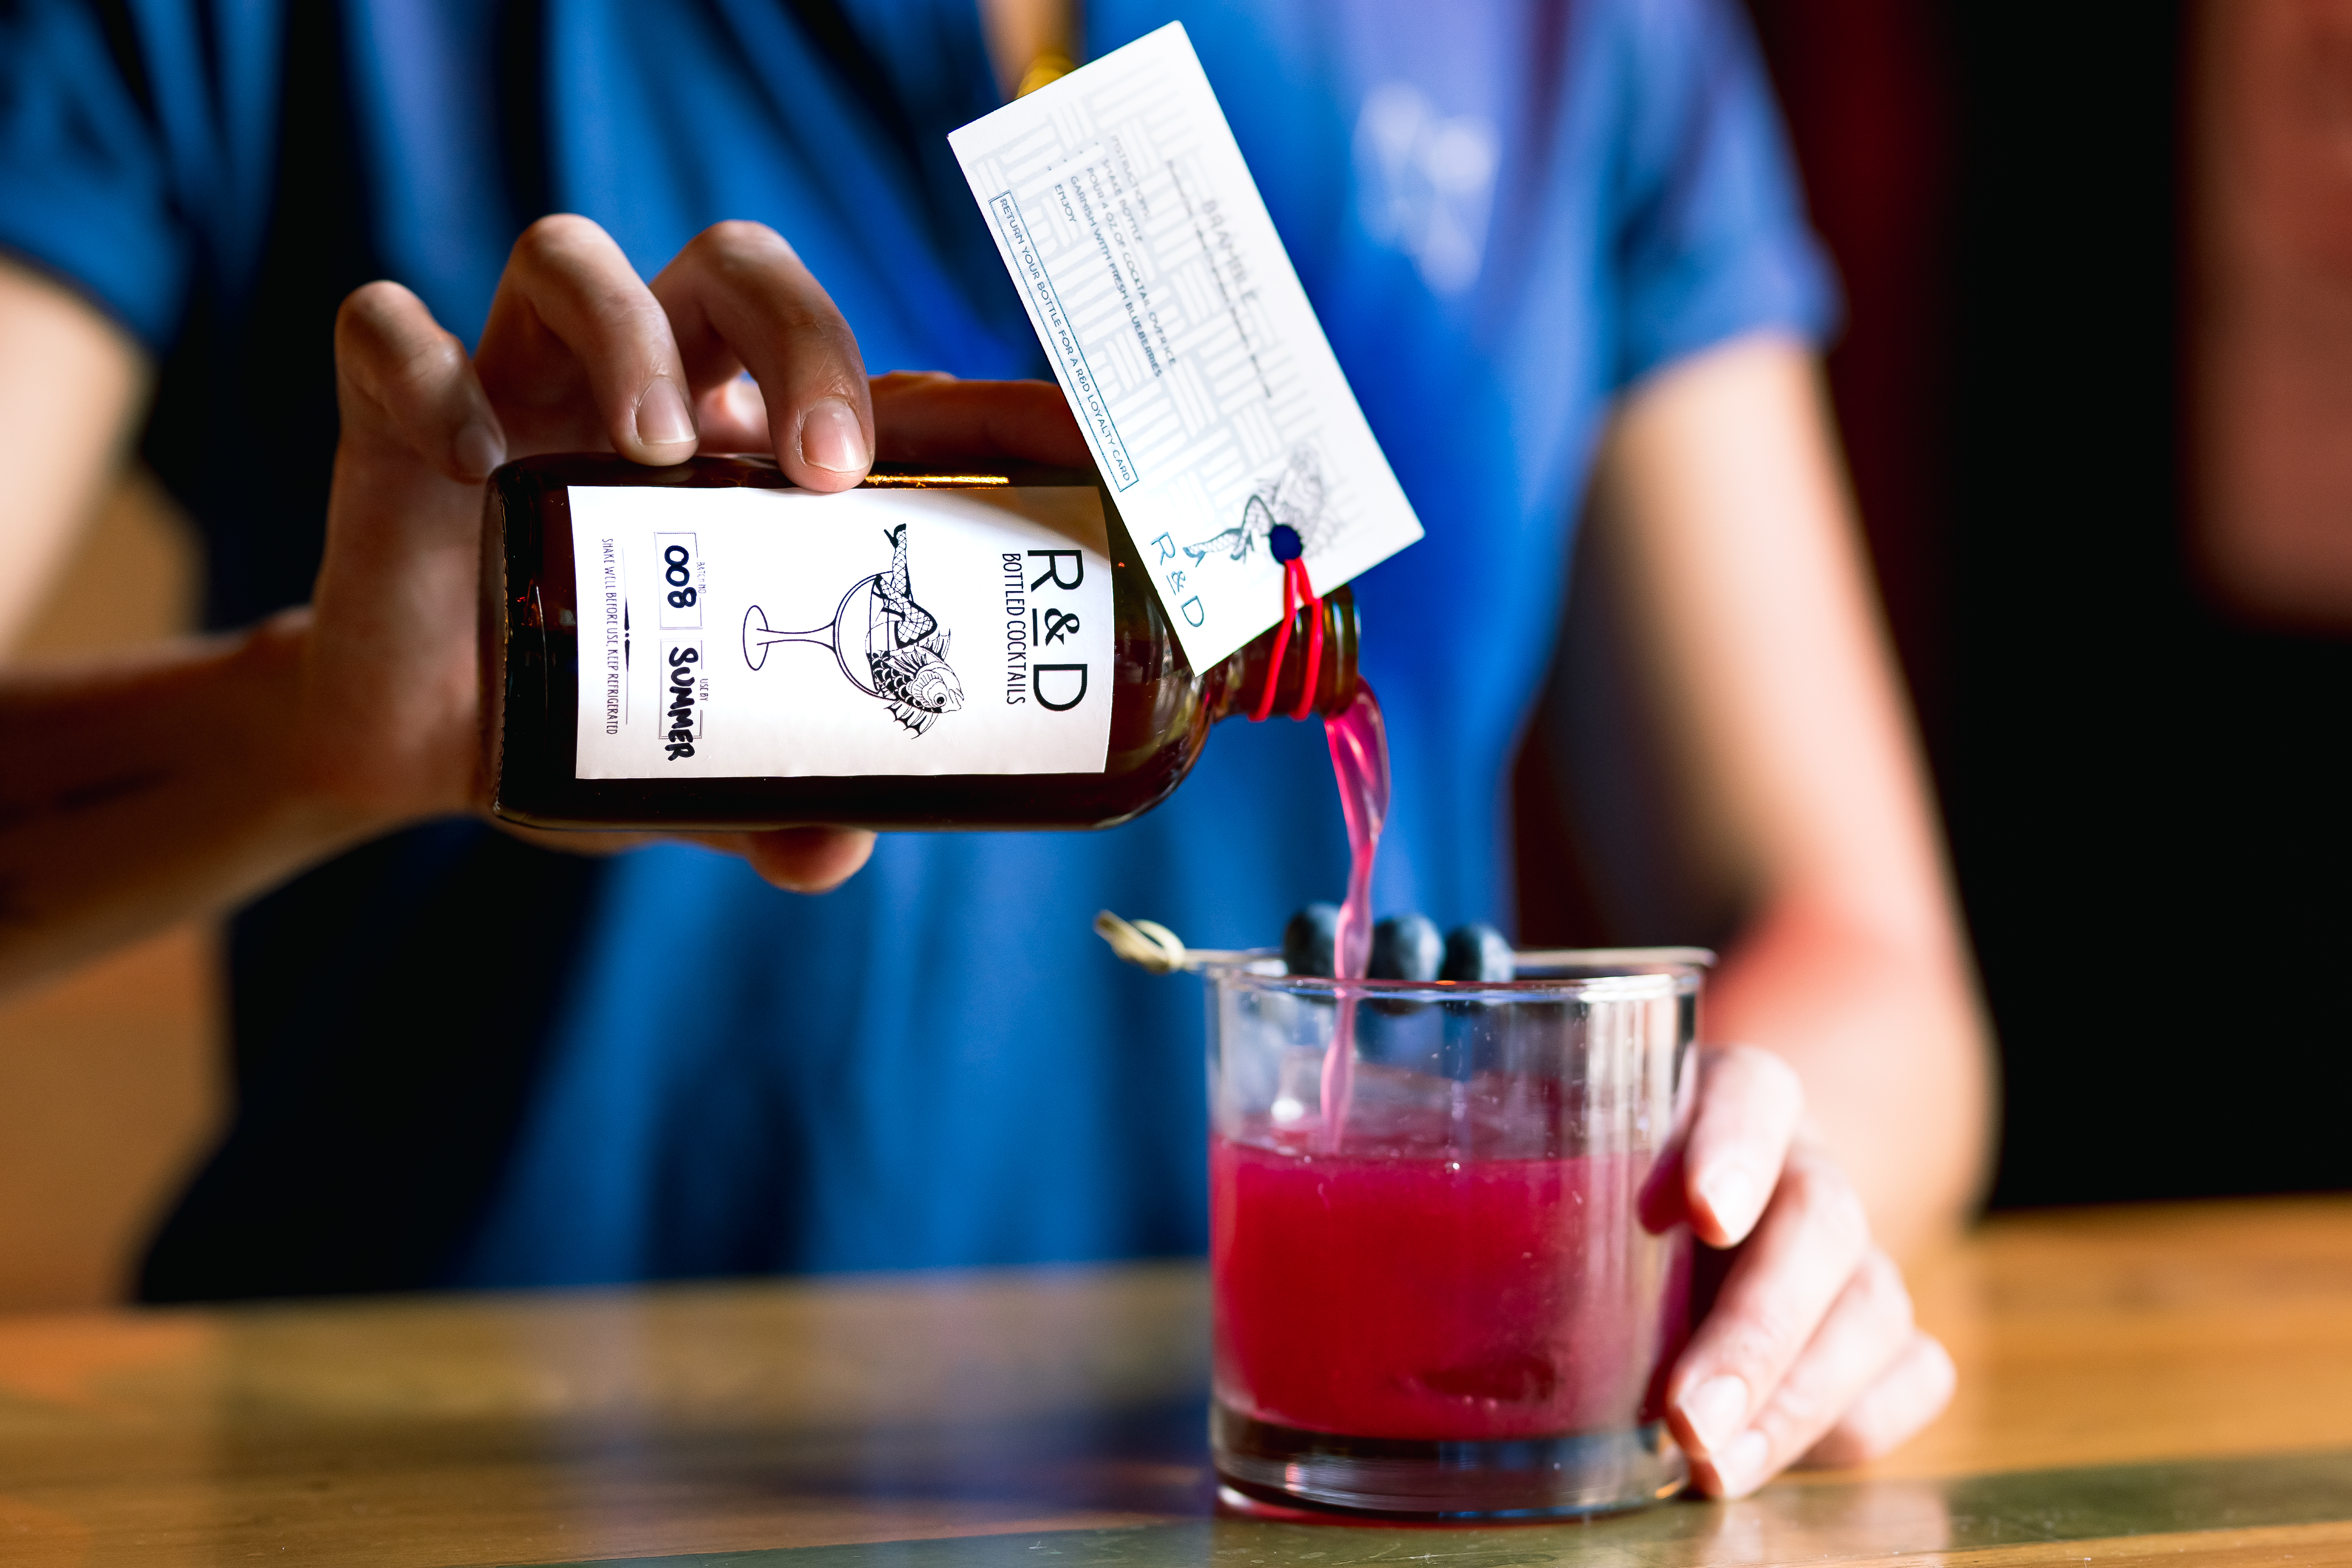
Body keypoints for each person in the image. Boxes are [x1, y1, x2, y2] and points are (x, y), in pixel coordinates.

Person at [0, 0, 1990, 1497]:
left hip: (1292, 1502)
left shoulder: (1578, 34)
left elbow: (1860, 945)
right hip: (458, 1501)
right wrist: (308, 737)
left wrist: (1745, 1201)